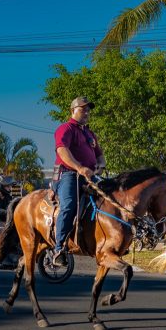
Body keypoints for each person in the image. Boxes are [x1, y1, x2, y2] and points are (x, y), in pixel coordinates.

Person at [51, 96, 106, 267]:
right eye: (83, 109)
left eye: (88, 109)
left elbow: (100, 156)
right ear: (73, 110)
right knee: (69, 206)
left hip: (90, 175)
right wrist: (79, 167)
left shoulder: (90, 133)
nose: (87, 112)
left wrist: (100, 166)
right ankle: (59, 249)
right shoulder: (65, 129)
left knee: (110, 199)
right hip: (69, 175)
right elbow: (62, 151)